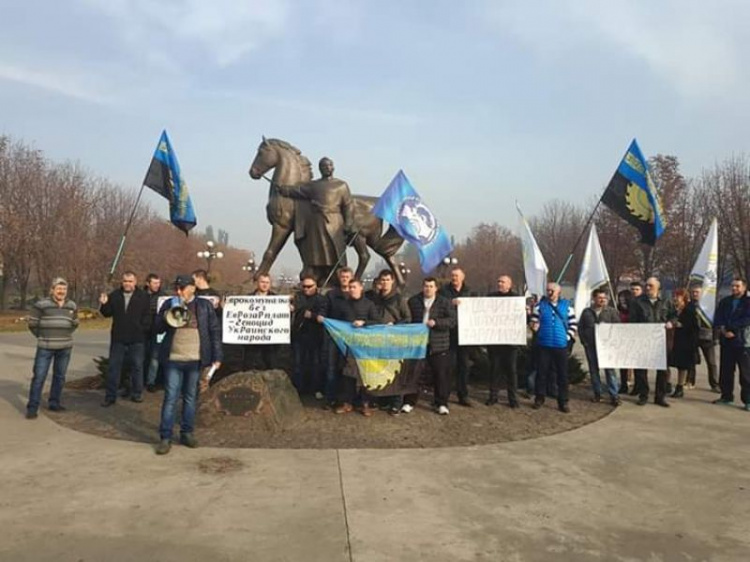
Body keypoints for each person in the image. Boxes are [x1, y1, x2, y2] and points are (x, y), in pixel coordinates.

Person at [154, 275, 223, 455]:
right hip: (173, 358)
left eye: (182, 288)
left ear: (192, 288)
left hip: (195, 359)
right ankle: (165, 436)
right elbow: (157, 328)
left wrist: (217, 355)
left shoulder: (204, 306)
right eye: (177, 288)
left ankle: (187, 432)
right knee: (170, 397)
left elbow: (214, 331)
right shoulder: (170, 303)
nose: (179, 291)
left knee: (190, 397)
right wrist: (165, 317)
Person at [275, 157, 356, 285]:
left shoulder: (341, 185)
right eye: (324, 166)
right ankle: (318, 273)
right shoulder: (314, 185)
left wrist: (348, 223)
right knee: (317, 251)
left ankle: (334, 275)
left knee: (335, 251)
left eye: (329, 165)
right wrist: (284, 189)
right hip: (317, 223)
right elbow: (298, 191)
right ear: (320, 169)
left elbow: (348, 205)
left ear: (333, 167)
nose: (327, 168)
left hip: (335, 222)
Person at [25, 277, 79, 419]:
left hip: (65, 347)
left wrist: (64, 333)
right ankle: (32, 407)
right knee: (39, 377)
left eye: (64, 289)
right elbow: (32, 324)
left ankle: (54, 402)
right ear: (52, 290)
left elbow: (75, 324)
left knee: (59, 377)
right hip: (45, 347)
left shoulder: (72, 306)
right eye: (59, 288)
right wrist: (42, 336)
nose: (61, 291)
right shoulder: (41, 305)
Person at [327, 278, 382, 415]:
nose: (351, 289)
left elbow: (377, 322)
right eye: (350, 287)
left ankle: (365, 403)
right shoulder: (343, 305)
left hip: (365, 345)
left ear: (361, 288)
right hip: (347, 344)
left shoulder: (369, 304)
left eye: (354, 287)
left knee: (365, 375)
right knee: (347, 374)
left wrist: (364, 322)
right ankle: (347, 403)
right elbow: (337, 323)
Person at [403, 277, 456, 415]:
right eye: (426, 286)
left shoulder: (444, 302)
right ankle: (409, 401)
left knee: (440, 375)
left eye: (431, 286)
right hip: (418, 344)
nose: (428, 289)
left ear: (436, 288)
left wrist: (437, 322)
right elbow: (408, 319)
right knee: (414, 374)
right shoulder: (414, 301)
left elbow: (452, 321)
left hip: (438, 344)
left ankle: (441, 403)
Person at [99, 271, 151, 406]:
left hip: (137, 338)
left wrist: (141, 328)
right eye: (125, 281)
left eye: (130, 281)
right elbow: (106, 313)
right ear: (122, 282)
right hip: (118, 338)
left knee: (137, 366)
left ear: (135, 282)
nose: (127, 284)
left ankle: (137, 393)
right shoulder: (115, 295)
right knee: (114, 367)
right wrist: (104, 304)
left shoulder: (143, 296)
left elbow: (148, 315)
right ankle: (110, 396)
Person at [530, 282, 577, 413]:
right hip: (544, 344)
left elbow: (573, 324)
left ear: (558, 292)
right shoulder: (540, 306)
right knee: (542, 373)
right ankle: (539, 398)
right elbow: (534, 321)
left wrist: (567, 337)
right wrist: (534, 327)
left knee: (562, 375)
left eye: (552, 290)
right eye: (548, 290)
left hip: (560, 345)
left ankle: (563, 401)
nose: (549, 293)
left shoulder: (567, 306)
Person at [372, 269, 412, 413]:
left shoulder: (399, 299)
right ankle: (383, 399)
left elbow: (407, 318)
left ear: (392, 281)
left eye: (387, 280)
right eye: (382, 280)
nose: (385, 283)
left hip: (394, 339)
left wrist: (394, 325)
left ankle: (396, 402)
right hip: (379, 339)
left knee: (396, 372)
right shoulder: (375, 299)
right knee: (382, 370)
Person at [629, 277, 672, 407]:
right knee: (641, 370)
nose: (648, 288)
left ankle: (660, 397)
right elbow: (633, 320)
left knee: (662, 370)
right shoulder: (637, 302)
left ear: (658, 287)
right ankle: (643, 395)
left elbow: (673, 315)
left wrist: (671, 322)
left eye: (651, 286)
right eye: (646, 285)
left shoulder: (665, 302)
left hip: (661, 340)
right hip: (644, 339)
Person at [578, 288, 621, 406]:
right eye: (599, 297)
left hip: (607, 347)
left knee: (610, 371)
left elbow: (618, 328)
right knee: (593, 371)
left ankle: (614, 395)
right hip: (591, 346)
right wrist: (584, 341)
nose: (602, 300)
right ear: (594, 299)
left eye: (604, 298)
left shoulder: (612, 312)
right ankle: (598, 394)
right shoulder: (586, 312)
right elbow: (580, 327)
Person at [713, 278, 750, 410]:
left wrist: (732, 329)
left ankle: (748, 400)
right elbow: (718, 317)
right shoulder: (725, 301)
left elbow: (747, 319)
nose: (734, 288)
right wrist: (723, 329)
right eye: (733, 286)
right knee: (726, 370)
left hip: (742, 342)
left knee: (746, 373)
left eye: (737, 286)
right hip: (726, 341)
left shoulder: (748, 302)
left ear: (744, 287)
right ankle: (726, 396)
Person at [319, 267, 354, 407]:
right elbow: (324, 310)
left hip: (351, 337)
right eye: (343, 276)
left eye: (347, 276)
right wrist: (321, 316)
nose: (345, 279)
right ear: (339, 278)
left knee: (349, 368)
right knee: (331, 368)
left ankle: (347, 398)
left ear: (351, 277)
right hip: (334, 337)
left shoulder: (355, 294)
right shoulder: (331, 295)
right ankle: (330, 398)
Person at [440, 267, 474, 406]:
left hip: (465, 334)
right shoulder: (443, 292)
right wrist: (450, 303)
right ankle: (444, 395)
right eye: (453, 276)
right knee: (448, 366)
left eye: (457, 276)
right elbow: (439, 306)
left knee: (464, 366)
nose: (454, 278)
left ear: (463, 277)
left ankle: (463, 395)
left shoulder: (470, 292)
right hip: (449, 333)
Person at [485, 275, 520, 408]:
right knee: (494, 370)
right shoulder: (490, 297)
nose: (500, 284)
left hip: (511, 342)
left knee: (511, 371)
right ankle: (493, 396)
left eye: (503, 282)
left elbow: (523, 320)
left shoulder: (517, 299)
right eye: (498, 281)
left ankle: (513, 399)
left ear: (509, 285)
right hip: (494, 341)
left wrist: (526, 313)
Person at [291, 275, 325, 395]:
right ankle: (298, 389)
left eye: (309, 286)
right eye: (304, 286)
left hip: (315, 336)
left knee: (315, 364)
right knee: (297, 363)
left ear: (315, 286)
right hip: (299, 335)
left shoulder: (321, 299)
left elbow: (323, 315)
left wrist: (313, 316)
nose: (306, 289)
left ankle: (315, 389)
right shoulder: (298, 297)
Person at [666, 289, 699, 398]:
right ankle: (667, 383)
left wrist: (681, 325)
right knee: (666, 363)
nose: (675, 299)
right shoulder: (673, 310)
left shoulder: (690, 310)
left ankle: (680, 387)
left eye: (677, 297)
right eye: (674, 296)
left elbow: (694, 327)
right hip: (671, 340)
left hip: (685, 341)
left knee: (682, 366)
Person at [687, 285, 720, 392]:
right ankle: (690, 381)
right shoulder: (688, 306)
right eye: (693, 292)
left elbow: (716, 323)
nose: (695, 294)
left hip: (708, 338)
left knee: (711, 363)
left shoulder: (709, 307)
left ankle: (714, 384)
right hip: (693, 338)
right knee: (691, 361)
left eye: (697, 292)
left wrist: (715, 337)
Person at [251, 273, 279, 370]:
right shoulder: (248, 298)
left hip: (270, 343)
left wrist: (289, 310)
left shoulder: (277, 299)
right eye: (262, 282)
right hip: (252, 341)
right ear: (257, 283)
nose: (265, 285)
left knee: (271, 367)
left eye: (267, 282)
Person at [144, 273, 166, 392]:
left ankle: (151, 382)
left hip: (157, 331)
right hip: (142, 331)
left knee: (155, 358)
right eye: (155, 283)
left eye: (159, 283)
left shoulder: (163, 297)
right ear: (148, 283)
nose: (158, 285)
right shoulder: (141, 296)